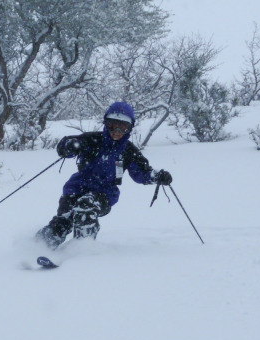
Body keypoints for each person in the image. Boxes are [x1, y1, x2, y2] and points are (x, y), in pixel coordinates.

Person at [36, 101, 172, 250]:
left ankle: (82, 249)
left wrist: (157, 176)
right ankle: (38, 247)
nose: (117, 131)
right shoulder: (92, 140)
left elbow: (142, 173)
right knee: (63, 220)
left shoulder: (128, 151)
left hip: (105, 193)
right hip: (76, 189)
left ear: (130, 128)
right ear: (106, 123)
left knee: (86, 206)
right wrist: (69, 145)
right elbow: (65, 146)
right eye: (113, 125)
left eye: (123, 127)